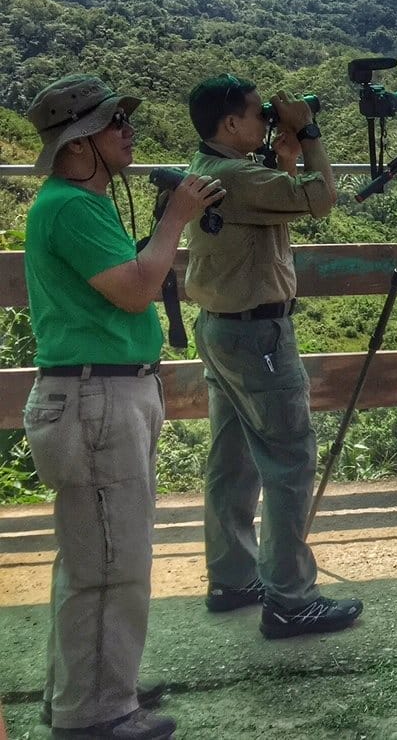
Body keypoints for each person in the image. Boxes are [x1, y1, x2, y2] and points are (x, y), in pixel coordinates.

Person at [22, 74, 223, 740]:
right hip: (96, 399)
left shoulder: (79, 202)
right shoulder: (71, 209)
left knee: (91, 558)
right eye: (116, 124)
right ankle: (98, 713)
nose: (129, 132)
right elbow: (137, 291)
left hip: (97, 395)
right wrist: (175, 219)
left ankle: (82, 690)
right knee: (112, 563)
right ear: (80, 143)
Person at [182, 75, 363, 639]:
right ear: (230, 123)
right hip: (257, 337)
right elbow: (322, 199)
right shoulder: (237, 176)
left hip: (221, 329)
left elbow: (268, 217)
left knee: (232, 457)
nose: (266, 120)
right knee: (289, 461)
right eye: (259, 113)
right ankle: (290, 598)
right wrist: (308, 135)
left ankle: (233, 577)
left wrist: (283, 161)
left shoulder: (213, 168)